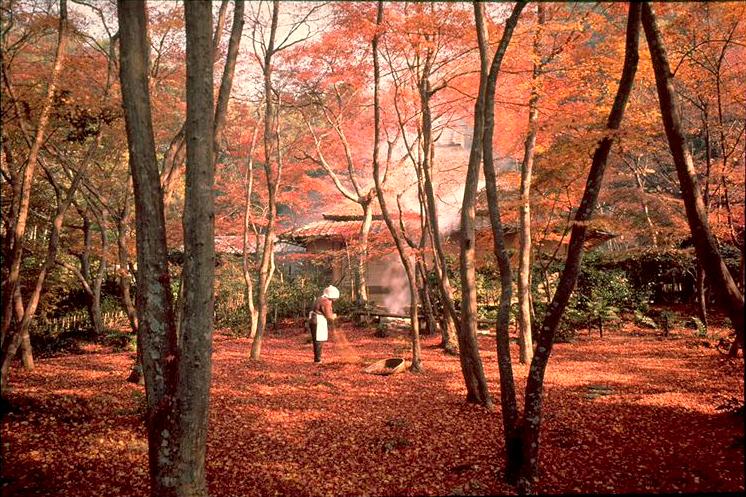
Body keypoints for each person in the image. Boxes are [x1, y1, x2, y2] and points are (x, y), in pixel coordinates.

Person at [308, 285, 339, 363]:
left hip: (314, 320)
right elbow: (328, 315)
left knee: (317, 340)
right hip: (318, 321)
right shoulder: (326, 301)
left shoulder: (320, 298)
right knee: (319, 340)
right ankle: (317, 360)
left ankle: (317, 359)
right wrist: (334, 317)